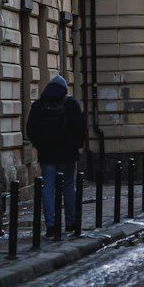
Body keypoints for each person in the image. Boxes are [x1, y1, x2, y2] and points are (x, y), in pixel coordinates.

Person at [25, 73, 85, 236]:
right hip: (67, 154)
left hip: (47, 154)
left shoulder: (38, 105)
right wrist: (77, 146)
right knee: (68, 185)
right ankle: (71, 222)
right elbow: (80, 127)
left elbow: (30, 128)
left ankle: (51, 224)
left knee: (48, 186)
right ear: (64, 89)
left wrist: (40, 145)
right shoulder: (70, 104)